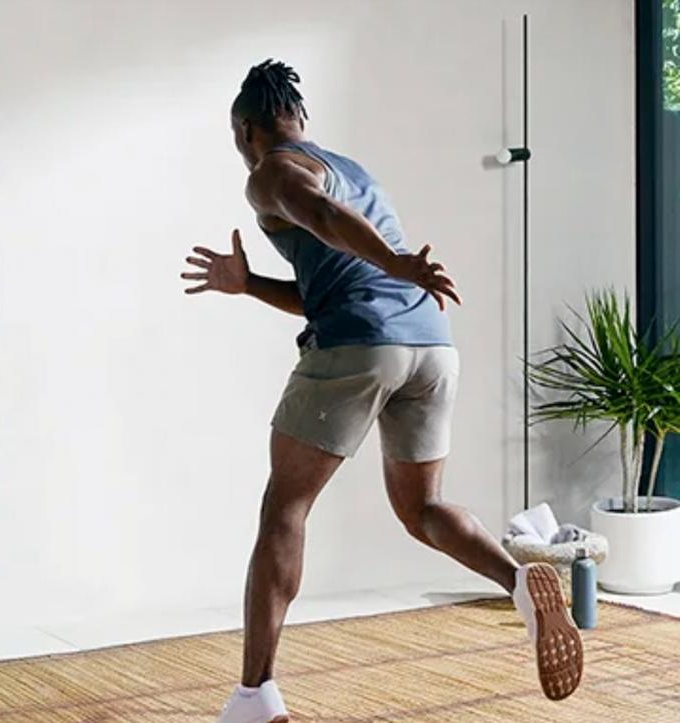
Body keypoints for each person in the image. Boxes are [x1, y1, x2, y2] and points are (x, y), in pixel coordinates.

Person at [180, 60, 583, 723]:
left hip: (361, 343)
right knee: (422, 507)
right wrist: (248, 282)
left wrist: (391, 261)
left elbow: (320, 215)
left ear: (247, 129)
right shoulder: (349, 166)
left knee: (285, 506)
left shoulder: (271, 173)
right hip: (428, 345)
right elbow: (326, 284)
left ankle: (255, 695)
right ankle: (521, 583)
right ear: (301, 119)